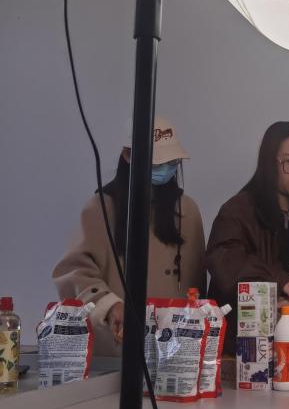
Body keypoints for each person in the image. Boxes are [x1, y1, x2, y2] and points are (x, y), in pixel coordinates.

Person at [53, 116, 206, 356]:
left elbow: (197, 285)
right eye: (157, 163)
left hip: (176, 350)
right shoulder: (102, 208)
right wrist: (109, 304)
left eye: (172, 162)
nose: (166, 169)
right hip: (118, 350)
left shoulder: (187, 210)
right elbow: (73, 273)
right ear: (128, 155)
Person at [206, 122, 289, 353]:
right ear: (269, 164)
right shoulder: (238, 210)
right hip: (243, 346)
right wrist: (282, 283)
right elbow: (226, 263)